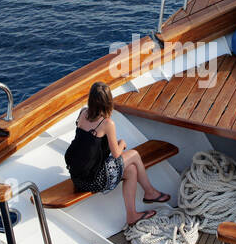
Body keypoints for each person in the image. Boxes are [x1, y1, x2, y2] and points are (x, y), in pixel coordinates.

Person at [64, 82, 169, 225]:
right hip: (94, 180)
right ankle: (150, 192)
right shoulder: (107, 123)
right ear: (108, 101)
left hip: (77, 177)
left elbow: (87, 141)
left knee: (131, 170)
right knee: (134, 155)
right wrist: (122, 143)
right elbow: (116, 154)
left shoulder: (83, 113)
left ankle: (132, 215)